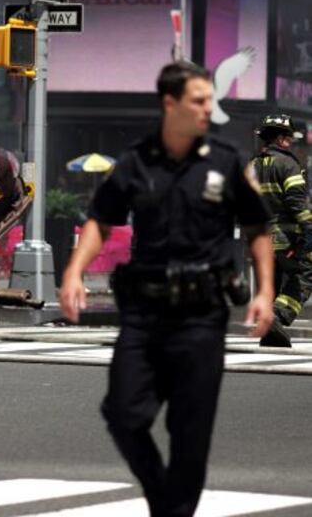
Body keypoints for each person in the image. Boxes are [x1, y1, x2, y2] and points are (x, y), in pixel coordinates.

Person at [59, 60, 275, 517]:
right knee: (122, 413)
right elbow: (102, 218)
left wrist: (265, 292)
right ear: (169, 103)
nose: (207, 109)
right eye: (198, 100)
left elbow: (258, 228)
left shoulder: (226, 161)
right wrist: (75, 270)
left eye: (209, 100)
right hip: (145, 317)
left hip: (201, 319)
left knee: (190, 435)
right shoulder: (136, 162)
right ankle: (164, 502)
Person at [250, 113, 312, 347]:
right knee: (304, 275)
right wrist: (309, 231)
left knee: (271, 283)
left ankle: (269, 331)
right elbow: (298, 204)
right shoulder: (288, 164)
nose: (291, 142)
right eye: (289, 138)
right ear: (281, 138)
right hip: (286, 238)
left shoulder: (252, 164)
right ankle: (276, 318)